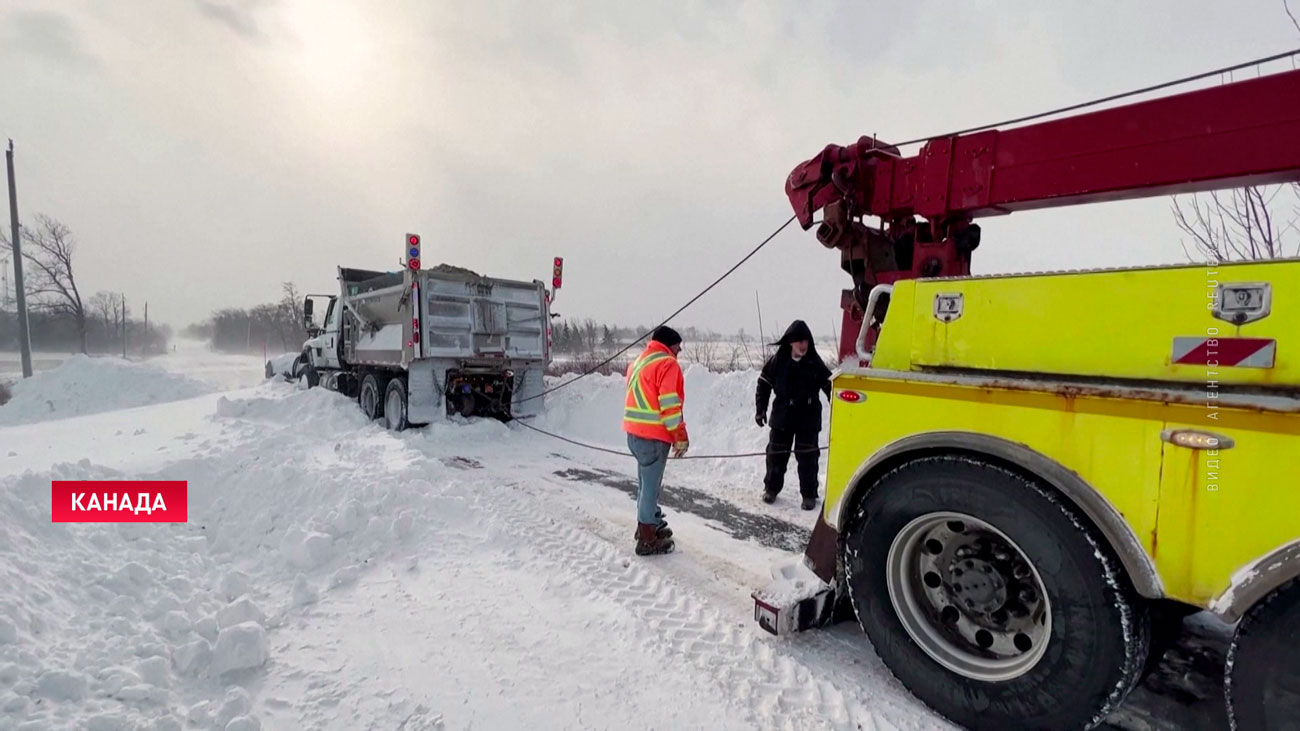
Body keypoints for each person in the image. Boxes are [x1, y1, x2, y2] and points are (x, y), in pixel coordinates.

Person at [623, 326, 690, 555]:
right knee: (650, 488)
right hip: (653, 437)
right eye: (678, 347)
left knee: (645, 484)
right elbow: (670, 405)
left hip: (634, 435)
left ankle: (651, 521)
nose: (679, 351)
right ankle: (647, 539)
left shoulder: (639, 362)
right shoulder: (667, 364)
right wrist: (679, 436)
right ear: (669, 344)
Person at [756, 320, 831, 510]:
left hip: (808, 416)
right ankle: (771, 489)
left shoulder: (815, 362)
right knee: (776, 455)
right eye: (799, 342)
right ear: (790, 342)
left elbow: (830, 386)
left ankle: (809, 495)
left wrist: (840, 410)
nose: (803, 345)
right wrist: (760, 409)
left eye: (805, 341)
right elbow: (763, 384)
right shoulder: (777, 361)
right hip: (783, 415)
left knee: (808, 458)